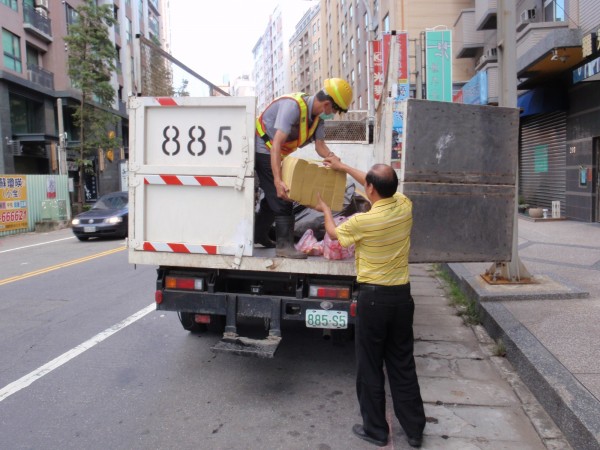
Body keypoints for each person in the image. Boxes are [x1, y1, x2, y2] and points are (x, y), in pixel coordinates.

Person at [315, 160, 426, 448]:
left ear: (371, 189)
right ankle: (414, 430)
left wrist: (327, 211)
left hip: (373, 300)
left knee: (370, 366)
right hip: (402, 298)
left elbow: (334, 235)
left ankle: (376, 430)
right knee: (402, 363)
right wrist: (341, 165)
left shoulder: (363, 221)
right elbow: (373, 181)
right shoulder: (404, 206)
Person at [254, 78, 353, 259]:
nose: (335, 114)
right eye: (336, 110)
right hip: (263, 148)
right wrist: (277, 180)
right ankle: (284, 247)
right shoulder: (292, 107)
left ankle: (259, 234)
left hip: (276, 153)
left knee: (272, 198)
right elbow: (276, 144)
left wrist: (333, 158)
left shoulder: (318, 119)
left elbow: (320, 147)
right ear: (327, 104)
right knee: (283, 194)